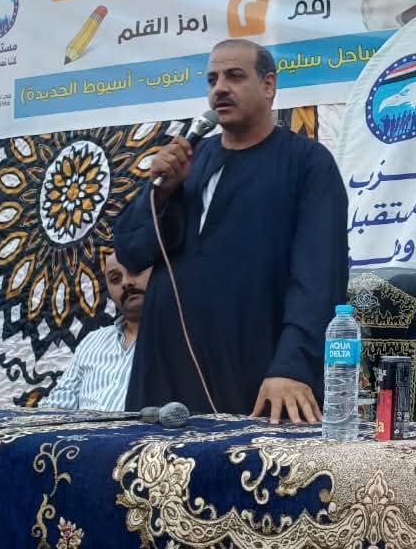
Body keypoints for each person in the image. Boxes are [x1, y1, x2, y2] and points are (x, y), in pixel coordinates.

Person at [113, 38, 348, 421]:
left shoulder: (306, 163)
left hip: (258, 373)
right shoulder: (190, 161)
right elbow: (132, 251)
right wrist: (160, 192)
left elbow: (320, 277)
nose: (219, 88)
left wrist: (293, 366)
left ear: (268, 85)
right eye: (212, 80)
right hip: (165, 374)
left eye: (234, 76)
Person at [41, 251, 151, 411]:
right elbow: (56, 407)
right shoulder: (92, 342)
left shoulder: (179, 339)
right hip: (83, 427)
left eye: (135, 271)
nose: (126, 283)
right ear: (109, 292)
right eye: (115, 279)